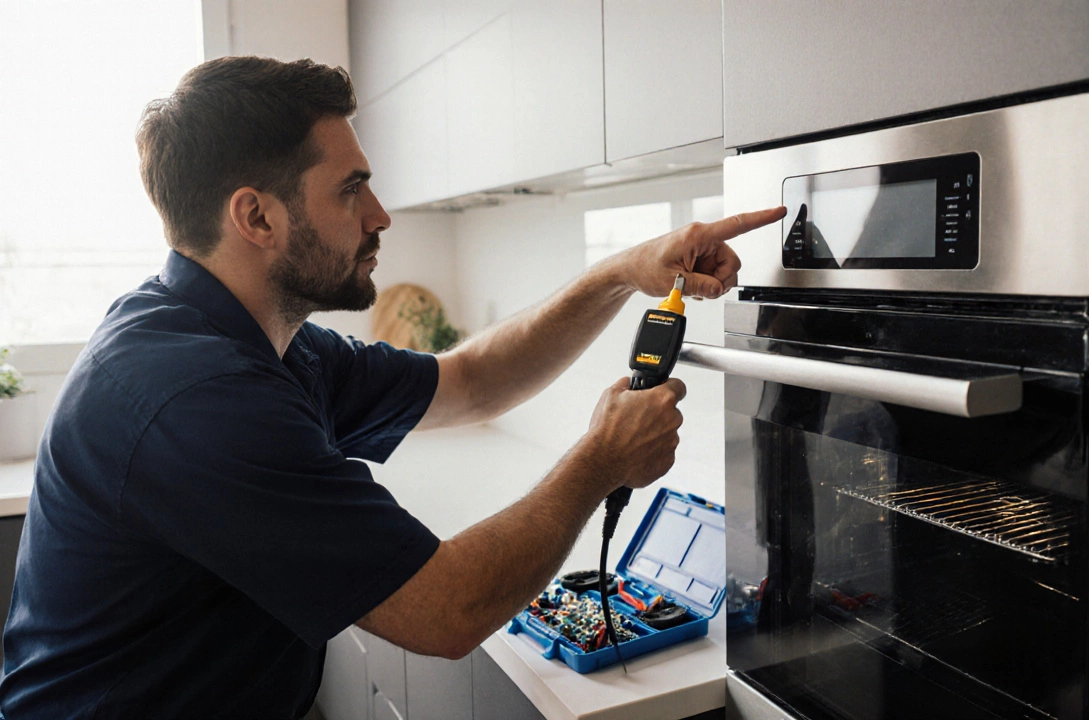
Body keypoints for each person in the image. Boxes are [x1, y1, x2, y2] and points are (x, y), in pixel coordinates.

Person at [0, 56, 783, 718]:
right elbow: (446, 610)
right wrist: (599, 460)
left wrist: (622, 270)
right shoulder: (194, 396)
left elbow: (470, 380)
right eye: (351, 190)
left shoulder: (267, 341)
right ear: (257, 218)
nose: (380, 215)